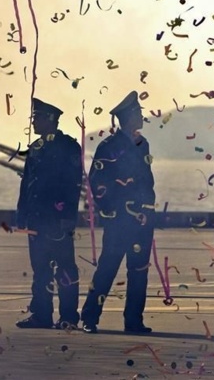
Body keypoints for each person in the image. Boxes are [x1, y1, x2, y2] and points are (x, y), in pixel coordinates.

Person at [81, 91, 156, 334]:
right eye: (138, 112)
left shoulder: (143, 144)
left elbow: (146, 181)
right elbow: (97, 181)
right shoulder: (109, 146)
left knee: (139, 272)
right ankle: (89, 318)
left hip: (142, 219)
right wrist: (110, 210)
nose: (142, 115)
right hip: (120, 220)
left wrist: (149, 208)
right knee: (107, 268)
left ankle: (134, 321)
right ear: (128, 117)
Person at [15, 98, 83, 330]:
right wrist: (21, 216)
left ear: (50, 119)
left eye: (37, 118)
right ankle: (41, 315)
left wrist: (69, 217)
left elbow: (73, 184)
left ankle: (68, 317)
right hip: (36, 219)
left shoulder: (68, 147)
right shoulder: (35, 148)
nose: (34, 122)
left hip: (57, 219)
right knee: (41, 270)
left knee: (65, 269)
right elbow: (27, 185)